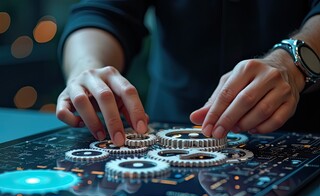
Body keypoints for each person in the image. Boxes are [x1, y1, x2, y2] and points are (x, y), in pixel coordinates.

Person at [56, 0, 320, 146]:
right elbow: (103, 10)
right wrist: (86, 65)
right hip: (165, 123)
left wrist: (293, 63)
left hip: (308, 128)